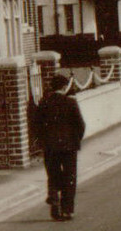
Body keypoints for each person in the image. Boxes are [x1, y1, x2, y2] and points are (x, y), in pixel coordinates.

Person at [33, 73, 87, 221]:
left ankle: (54, 201)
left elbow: (36, 126)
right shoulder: (70, 103)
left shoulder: (44, 103)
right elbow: (80, 125)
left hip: (50, 146)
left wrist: (41, 142)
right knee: (70, 177)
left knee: (53, 174)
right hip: (69, 146)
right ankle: (67, 210)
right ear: (64, 87)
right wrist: (76, 140)